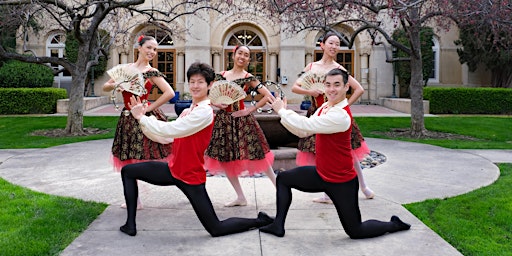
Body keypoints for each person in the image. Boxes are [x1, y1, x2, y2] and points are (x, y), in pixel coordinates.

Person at [119, 62, 273, 237]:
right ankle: (130, 224)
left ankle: (260, 220)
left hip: (190, 177)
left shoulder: (204, 112)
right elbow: (167, 137)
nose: (195, 86)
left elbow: (172, 130)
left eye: (200, 82)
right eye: (192, 82)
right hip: (173, 170)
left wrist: (142, 118)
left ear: (209, 85)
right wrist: (142, 122)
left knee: (216, 228)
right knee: (128, 171)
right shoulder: (189, 110)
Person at [260, 68, 411, 238]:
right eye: (328, 85)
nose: (331, 89)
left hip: (341, 181)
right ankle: (278, 225)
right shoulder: (326, 107)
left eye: (337, 85)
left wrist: (282, 111)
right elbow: (304, 132)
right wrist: (284, 114)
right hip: (321, 174)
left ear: (347, 87)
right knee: (283, 179)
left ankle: (393, 224)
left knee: (356, 231)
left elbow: (306, 126)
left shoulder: (341, 116)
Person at [291, 31, 374, 203]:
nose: (334, 47)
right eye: (331, 43)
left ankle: (364, 187)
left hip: (336, 116)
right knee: (320, 153)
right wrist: (310, 91)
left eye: (338, 44)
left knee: (349, 152)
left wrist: (343, 106)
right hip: (317, 113)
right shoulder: (311, 67)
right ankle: (327, 193)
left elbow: (359, 89)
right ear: (322, 45)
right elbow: (294, 87)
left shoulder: (339, 69)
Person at [103, 35, 175, 209]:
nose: (152, 52)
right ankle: (136, 200)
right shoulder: (125, 69)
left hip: (143, 116)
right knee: (129, 157)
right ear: (140, 47)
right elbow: (105, 86)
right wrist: (117, 85)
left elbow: (169, 93)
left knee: (149, 154)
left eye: (155, 49)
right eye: (149, 47)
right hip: (128, 117)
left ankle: (182, 183)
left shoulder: (151, 72)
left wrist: (149, 108)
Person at [204, 45, 276, 207]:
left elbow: (268, 96)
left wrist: (250, 110)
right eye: (240, 53)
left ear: (249, 59)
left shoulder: (248, 77)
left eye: (246, 55)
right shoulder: (221, 76)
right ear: (233, 55)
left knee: (258, 154)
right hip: (223, 121)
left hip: (243, 120)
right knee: (226, 159)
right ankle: (240, 197)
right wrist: (216, 103)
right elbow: (207, 95)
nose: (242, 57)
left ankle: (279, 189)